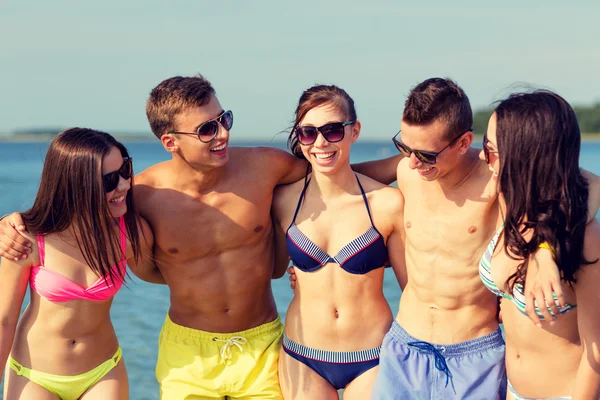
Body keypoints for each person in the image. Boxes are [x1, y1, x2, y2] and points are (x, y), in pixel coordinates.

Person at [0, 75, 399, 399]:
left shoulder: (266, 167)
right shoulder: (141, 194)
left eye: (223, 119)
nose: (222, 133)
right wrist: (15, 222)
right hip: (187, 353)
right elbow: (74, 215)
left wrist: (419, 160)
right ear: (170, 142)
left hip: (261, 344)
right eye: (207, 129)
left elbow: (332, 174)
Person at [366, 78, 600, 399]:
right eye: (404, 148)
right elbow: (341, 185)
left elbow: (583, 183)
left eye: (425, 153)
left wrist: (546, 249)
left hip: (477, 356)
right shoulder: (410, 170)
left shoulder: (495, 178)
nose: (412, 161)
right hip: (408, 348)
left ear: (463, 143)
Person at [0, 128, 161, 400]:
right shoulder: (26, 238)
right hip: (34, 375)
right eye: (110, 180)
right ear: (76, 184)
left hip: (102, 372)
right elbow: (4, 320)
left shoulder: (131, 234)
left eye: (126, 170)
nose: (124, 185)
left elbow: (165, 276)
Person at [272, 85, 405, 399]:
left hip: (373, 355)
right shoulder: (282, 200)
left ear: (354, 131)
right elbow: (274, 268)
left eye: (332, 131)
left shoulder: (388, 203)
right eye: (308, 133)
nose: (320, 142)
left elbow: (411, 289)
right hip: (302, 354)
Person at [479, 90, 600, 399]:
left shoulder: (585, 239)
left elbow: (596, 352)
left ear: (525, 156)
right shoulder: (511, 203)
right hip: (512, 389)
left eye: (491, 150)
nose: (482, 157)